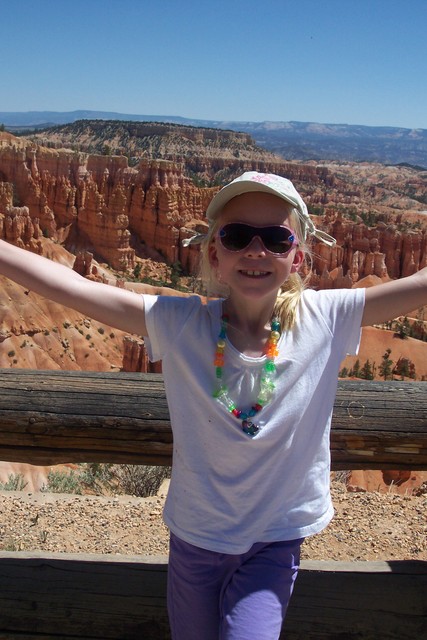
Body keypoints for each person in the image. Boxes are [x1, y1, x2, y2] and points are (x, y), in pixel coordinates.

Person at [0, 171, 426, 640]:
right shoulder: (181, 324)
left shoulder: (326, 318)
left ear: (298, 256)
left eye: (276, 238)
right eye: (238, 236)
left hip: (275, 541)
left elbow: (418, 286)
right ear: (213, 254)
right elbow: (73, 289)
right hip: (196, 538)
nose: (256, 251)